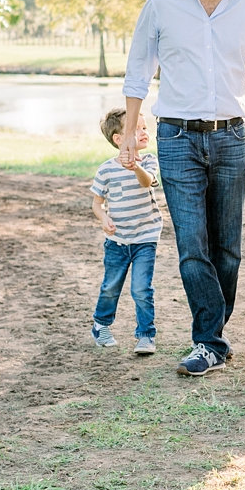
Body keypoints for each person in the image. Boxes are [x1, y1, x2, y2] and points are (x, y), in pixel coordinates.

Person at [119, 0, 245, 378]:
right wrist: (132, 133)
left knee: (227, 250)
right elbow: (137, 73)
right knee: (193, 247)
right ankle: (209, 341)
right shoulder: (160, 4)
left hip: (231, 136)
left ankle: (213, 332)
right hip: (175, 138)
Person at [89, 108, 161, 355]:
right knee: (111, 286)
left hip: (145, 237)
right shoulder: (106, 170)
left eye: (145, 127)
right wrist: (104, 217)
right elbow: (96, 204)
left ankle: (145, 335)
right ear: (119, 139)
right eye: (137, 128)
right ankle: (101, 326)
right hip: (117, 241)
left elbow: (147, 180)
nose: (144, 132)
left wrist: (134, 167)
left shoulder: (149, 160)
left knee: (141, 288)